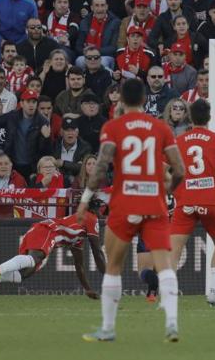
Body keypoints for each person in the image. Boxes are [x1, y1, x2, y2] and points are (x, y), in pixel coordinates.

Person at [78, 78, 185, 342]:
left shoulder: (113, 126)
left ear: (122, 99)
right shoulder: (160, 127)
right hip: (154, 204)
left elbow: (101, 166)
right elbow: (179, 170)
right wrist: (168, 191)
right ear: (145, 98)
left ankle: (108, 328)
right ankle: (171, 323)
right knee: (165, 266)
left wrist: (85, 199)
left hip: (124, 203)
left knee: (113, 265)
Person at [169, 99, 215, 308]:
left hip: (186, 200)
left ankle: (169, 293)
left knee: (174, 248)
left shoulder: (179, 140)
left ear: (189, 117)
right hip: (209, 200)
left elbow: (164, 169)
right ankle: (214, 292)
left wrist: (173, 189)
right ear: (209, 117)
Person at [0, 198, 105, 298]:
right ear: (93, 209)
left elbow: (79, 265)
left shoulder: (78, 236)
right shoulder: (91, 218)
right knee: (35, 258)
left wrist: (87, 289)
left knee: (25, 273)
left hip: (39, 229)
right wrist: (109, 275)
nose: (100, 213)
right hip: (47, 230)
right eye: (99, 209)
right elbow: (97, 251)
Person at [52, 117, 92, 182]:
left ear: (77, 132)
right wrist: (75, 165)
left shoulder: (85, 147)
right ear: (61, 132)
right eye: (67, 130)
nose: (70, 133)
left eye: (73, 130)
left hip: (78, 183)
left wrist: (64, 163)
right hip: (57, 181)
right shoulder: (54, 145)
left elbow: (85, 167)